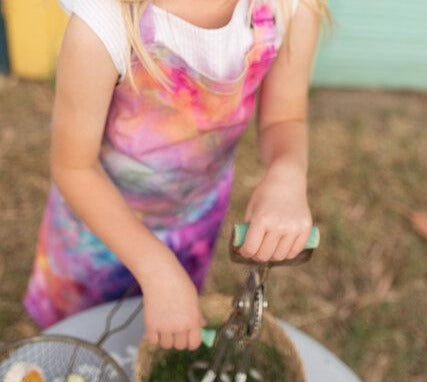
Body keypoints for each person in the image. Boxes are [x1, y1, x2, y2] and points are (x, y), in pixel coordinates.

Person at [24, 0, 327, 350]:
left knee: (157, 337)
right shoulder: (104, 25)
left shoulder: (289, 7)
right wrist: (155, 267)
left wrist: (287, 173)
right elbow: (74, 168)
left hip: (193, 220)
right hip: (97, 233)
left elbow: (283, 119)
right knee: (81, 344)